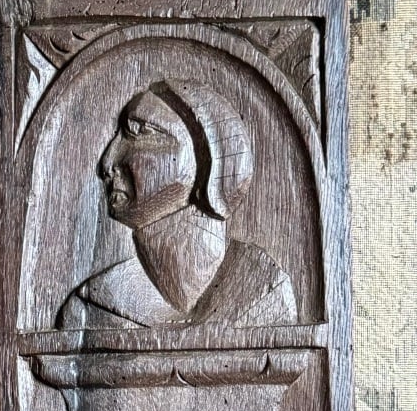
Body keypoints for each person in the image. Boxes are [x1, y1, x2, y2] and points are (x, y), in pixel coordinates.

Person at [58, 80, 297, 330]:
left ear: (207, 157)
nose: (108, 162)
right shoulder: (93, 309)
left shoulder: (265, 296)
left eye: (139, 132)